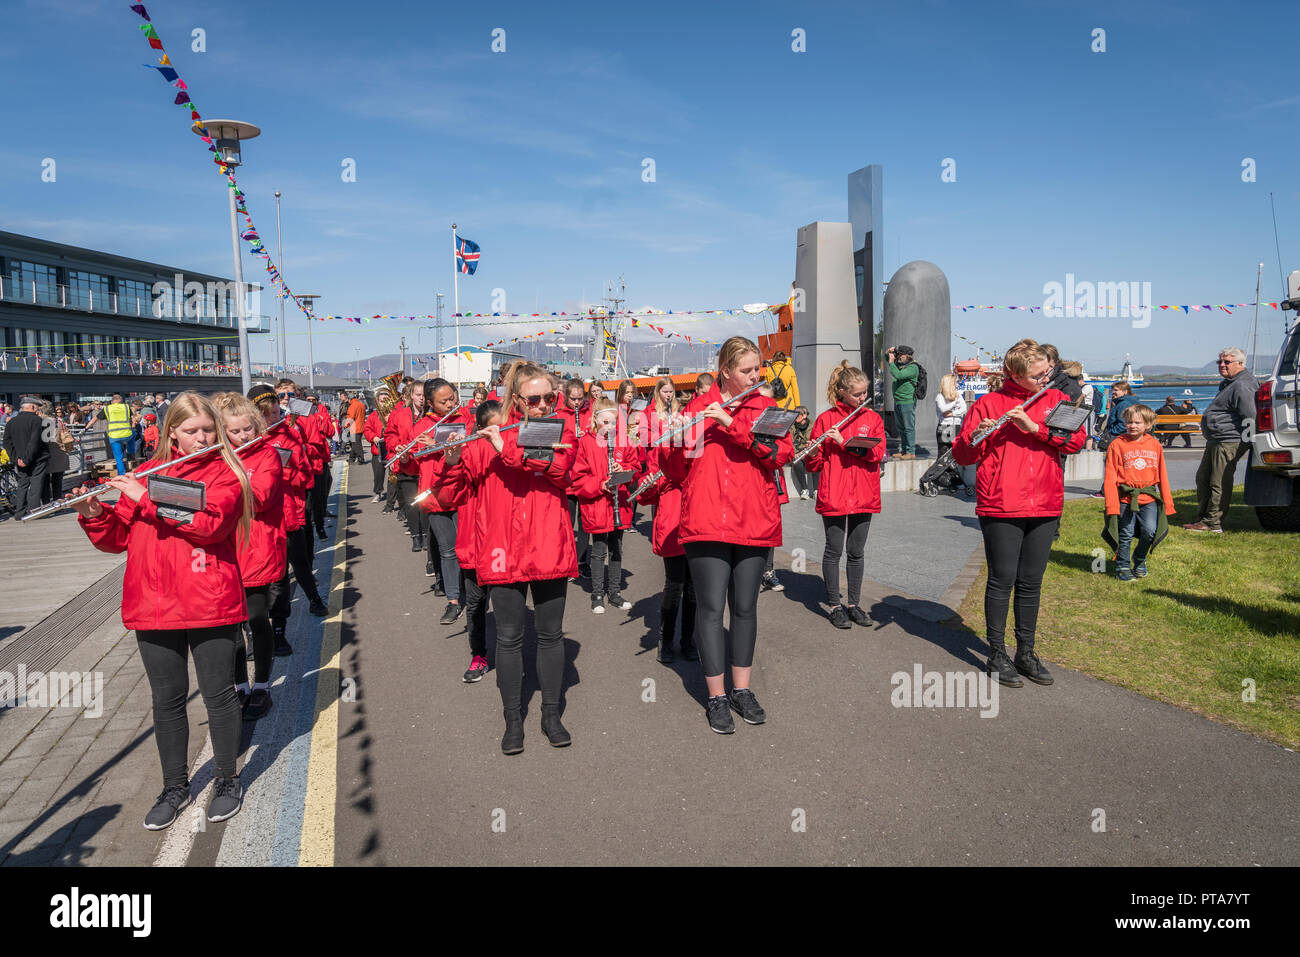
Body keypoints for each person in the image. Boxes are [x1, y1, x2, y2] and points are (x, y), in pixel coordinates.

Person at [69, 392, 255, 829]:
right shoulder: (147, 473)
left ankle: (227, 778)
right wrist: (95, 513)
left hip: (208, 600)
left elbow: (207, 525)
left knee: (219, 695)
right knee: (166, 700)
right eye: (191, 431)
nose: (201, 438)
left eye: (209, 430)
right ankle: (175, 786)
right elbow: (116, 539)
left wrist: (145, 494)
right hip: (152, 603)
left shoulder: (227, 474)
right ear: (171, 430)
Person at [444, 362, 578, 754]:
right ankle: (512, 719)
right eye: (534, 399)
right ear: (516, 399)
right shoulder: (489, 436)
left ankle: (552, 715)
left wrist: (510, 448)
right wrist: (452, 460)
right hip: (502, 547)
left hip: (548, 542)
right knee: (508, 637)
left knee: (552, 635)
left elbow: (559, 468)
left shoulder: (562, 428)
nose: (542, 405)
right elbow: (454, 493)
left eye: (549, 398)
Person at [670, 336, 794, 734]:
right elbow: (675, 469)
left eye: (757, 369)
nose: (756, 376)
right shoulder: (696, 406)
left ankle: (742, 690)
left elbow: (781, 455)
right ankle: (717, 696)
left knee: (744, 608)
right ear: (725, 372)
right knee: (709, 609)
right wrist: (675, 437)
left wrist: (732, 424)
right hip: (706, 519)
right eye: (747, 370)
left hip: (753, 517)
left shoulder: (767, 407)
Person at [951, 338, 1088, 689]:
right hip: (1001, 502)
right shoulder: (988, 404)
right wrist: (977, 436)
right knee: (1002, 579)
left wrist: (1036, 429)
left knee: (1031, 582)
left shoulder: (1057, 399)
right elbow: (963, 457)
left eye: (1048, 372)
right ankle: (996, 652)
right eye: (1038, 375)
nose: (1047, 379)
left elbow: (1075, 441)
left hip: (1045, 501)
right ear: (1015, 374)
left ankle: (1026, 651)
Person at [214, 392, 286, 720]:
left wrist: (223, 484)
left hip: (256, 550)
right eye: (236, 432)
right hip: (224, 552)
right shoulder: (214, 457)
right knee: (231, 627)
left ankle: (263, 685)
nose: (245, 436)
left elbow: (261, 497)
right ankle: (240, 685)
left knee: (257, 620)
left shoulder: (267, 454)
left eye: (249, 429)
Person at [804, 362, 887, 628]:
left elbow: (876, 453)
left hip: (863, 493)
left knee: (856, 552)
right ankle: (834, 605)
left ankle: (854, 604)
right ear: (841, 392)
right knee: (833, 551)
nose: (863, 398)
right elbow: (813, 466)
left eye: (865, 393)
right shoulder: (826, 419)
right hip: (835, 493)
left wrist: (844, 443)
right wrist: (813, 451)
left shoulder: (872, 419)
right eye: (858, 394)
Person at [571, 397, 643, 613]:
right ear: (595, 421)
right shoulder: (586, 442)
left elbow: (636, 468)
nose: (610, 427)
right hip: (597, 505)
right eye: (606, 423)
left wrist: (624, 470)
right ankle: (597, 594)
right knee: (598, 551)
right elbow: (578, 478)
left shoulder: (623, 441)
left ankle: (614, 592)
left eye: (614, 423)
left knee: (616, 550)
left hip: (618, 503)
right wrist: (600, 484)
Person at [638, 433, 698, 664]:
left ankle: (687, 640)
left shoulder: (698, 447)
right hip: (672, 521)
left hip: (696, 522)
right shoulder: (661, 449)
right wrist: (651, 483)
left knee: (694, 587)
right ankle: (666, 639)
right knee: (674, 585)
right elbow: (646, 497)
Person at [1185, 347, 1258, 533]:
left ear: (1240, 364)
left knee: (1219, 481)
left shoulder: (1242, 384)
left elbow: (1251, 415)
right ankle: (1202, 517)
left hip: (1229, 440)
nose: (1222, 365)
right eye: (1220, 362)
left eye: (1227, 362)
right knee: (1203, 478)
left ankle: (1213, 523)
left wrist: (1248, 442)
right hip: (1216, 439)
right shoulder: (1228, 383)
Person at [415, 377, 468, 622]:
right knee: (447, 551)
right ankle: (453, 600)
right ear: (430, 403)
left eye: (452, 398)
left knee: (467, 547)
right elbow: (421, 459)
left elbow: (472, 453)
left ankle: (473, 592)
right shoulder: (422, 426)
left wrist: (437, 443)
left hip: (464, 492)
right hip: (435, 495)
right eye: (443, 401)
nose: (450, 403)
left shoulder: (466, 419)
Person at [1102, 404, 1176, 581]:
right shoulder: (1117, 444)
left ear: (1148, 425)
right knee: (1125, 532)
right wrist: (1112, 505)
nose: (1132, 426)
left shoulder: (1155, 445)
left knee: (1150, 531)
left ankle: (1140, 558)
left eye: (1137, 422)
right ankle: (1122, 565)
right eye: (1129, 422)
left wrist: (1168, 502)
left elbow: (1162, 474)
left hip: (1148, 497)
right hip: (1125, 498)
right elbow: (1110, 477)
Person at [383, 380, 431, 553]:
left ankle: (426, 535)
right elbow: (389, 435)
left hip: (426, 465)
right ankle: (415, 536)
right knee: (411, 503)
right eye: (418, 395)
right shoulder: (399, 414)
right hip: (406, 464)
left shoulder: (431, 415)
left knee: (425, 503)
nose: (422, 399)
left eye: (424, 396)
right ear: (411, 395)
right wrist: (396, 446)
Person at [2, 396, 50, 519]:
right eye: (37, 407)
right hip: (37, 458)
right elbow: (34, 442)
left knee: (22, 485)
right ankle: (33, 512)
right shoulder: (38, 421)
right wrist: (27, 459)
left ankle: (19, 512)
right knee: (36, 484)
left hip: (19, 460)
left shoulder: (11, 422)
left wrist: (16, 458)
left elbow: (7, 442)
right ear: (33, 407)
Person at [886, 345, 919, 459]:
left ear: (907, 356)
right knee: (901, 427)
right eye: (898, 354)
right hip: (898, 400)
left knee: (908, 427)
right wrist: (888, 353)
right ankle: (904, 451)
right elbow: (889, 360)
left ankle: (911, 452)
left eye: (900, 355)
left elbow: (898, 375)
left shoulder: (913, 367)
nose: (898, 357)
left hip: (907, 401)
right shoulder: (902, 364)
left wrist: (891, 363)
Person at [364, 392, 395, 503]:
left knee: (393, 475)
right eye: (382, 401)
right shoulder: (373, 415)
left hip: (392, 448)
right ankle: (378, 492)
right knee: (378, 474)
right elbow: (367, 429)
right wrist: (373, 438)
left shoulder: (395, 414)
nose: (384, 403)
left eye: (386, 400)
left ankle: (392, 498)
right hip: (378, 449)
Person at [1100, 381, 1138, 453]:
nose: (1113, 392)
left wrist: (1110, 432)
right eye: (1113, 390)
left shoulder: (1123, 404)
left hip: (1119, 439)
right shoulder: (1126, 402)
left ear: (1125, 392)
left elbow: (1123, 424)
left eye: (1116, 390)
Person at [789, 405, 818, 500]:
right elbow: (790, 442)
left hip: (810, 452)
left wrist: (805, 453)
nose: (795, 417)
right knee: (796, 462)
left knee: (816, 461)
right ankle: (804, 489)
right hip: (797, 453)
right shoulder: (791, 426)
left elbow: (815, 441)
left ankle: (816, 490)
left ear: (804, 415)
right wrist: (795, 454)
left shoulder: (813, 425)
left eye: (798, 415)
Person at [103, 393, 133, 474]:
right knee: (133, 435)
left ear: (112, 401)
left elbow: (95, 419)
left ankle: (121, 474)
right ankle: (130, 452)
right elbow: (131, 419)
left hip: (114, 436)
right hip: (127, 434)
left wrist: (86, 428)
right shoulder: (126, 407)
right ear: (121, 401)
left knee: (118, 457)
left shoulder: (107, 408)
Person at [347, 392, 367, 464]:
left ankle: (360, 459)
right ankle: (351, 458)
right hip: (361, 426)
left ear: (350, 399)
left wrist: (345, 426)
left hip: (355, 427)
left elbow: (350, 417)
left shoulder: (353, 406)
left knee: (356, 444)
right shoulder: (361, 404)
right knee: (355, 444)